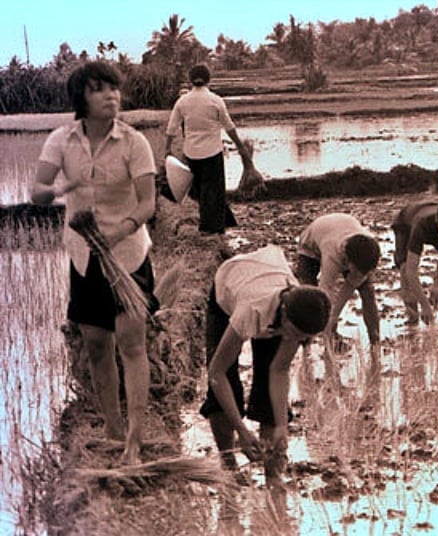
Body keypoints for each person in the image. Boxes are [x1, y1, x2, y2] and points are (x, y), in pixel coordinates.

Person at [30, 61, 157, 465]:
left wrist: (121, 230)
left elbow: (148, 202)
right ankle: (114, 430)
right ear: (81, 98)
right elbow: (38, 191)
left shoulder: (134, 142)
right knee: (98, 345)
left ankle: (135, 440)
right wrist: (56, 189)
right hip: (84, 257)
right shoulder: (60, 140)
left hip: (128, 256)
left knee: (132, 344)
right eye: (100, 89)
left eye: (114, 89)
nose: (111, 96)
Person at [199, 245, 331, 476]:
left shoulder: (299, 313)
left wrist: (281, 426)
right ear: (284, 315)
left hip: (268, 277)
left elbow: (278, 370)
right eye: (296, 334)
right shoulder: (250, 311)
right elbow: (216, 373)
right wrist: (242, 430)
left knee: (269, 397)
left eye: (304, 338)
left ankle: (273, 469)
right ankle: (228, 466)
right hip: (231, 283)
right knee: (226, 383)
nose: (298, 341)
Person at [164, 64, 250, 234]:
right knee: (214, 190)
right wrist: (240, 147)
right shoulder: (215, 100)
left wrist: (167, 150)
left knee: (201, 189)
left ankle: (222, 221)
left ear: (190, 80)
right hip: (212, 152)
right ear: (209, 79)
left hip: (192, 152)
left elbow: (171, 128)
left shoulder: (183, 101)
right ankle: (211, 228)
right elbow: (229, 127)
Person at [295, 213, 381, 354]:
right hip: (310, 245)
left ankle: (375, 342)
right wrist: (328, 323)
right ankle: (308, 344)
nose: (359, 276)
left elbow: (347, 289)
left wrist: (334, 317)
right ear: (348, 261)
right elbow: (325, 291)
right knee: (309, 296)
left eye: (363, 272)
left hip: (344, 233)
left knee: (368, 291)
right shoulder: (332, 253)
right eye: (357, 271)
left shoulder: (369, 249)